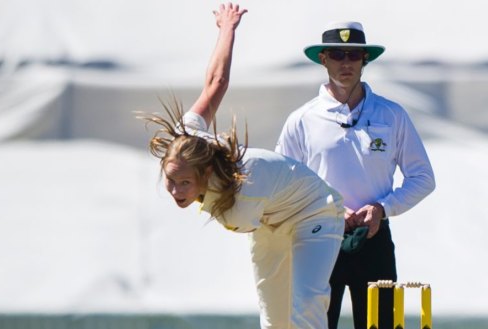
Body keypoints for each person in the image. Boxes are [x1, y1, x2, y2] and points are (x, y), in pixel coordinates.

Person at [140, 4, 345, 328]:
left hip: (315, 211)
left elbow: (245, 219)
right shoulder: (189, 136)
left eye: (184, 184)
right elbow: (216, 82)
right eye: (171, 180)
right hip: (269, 220)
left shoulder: (239, 202)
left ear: (206, 173)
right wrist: (226, 29)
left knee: (305, 307)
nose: (176, 191)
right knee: (274, 320)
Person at [275, 22, 436, 329]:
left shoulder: (391, 114)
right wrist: (328, 209)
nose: (345, 62)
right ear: (323, 59)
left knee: (381, 326)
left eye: (353, 54)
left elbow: (423, 177)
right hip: (318, 240)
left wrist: (382, 209)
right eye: (337, 54)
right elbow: (283, 187)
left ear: (365, 60)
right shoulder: (302, 119)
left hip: (373, 241)